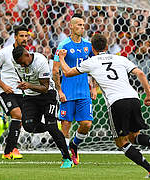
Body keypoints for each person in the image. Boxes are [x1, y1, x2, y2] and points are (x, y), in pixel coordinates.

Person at [58, 34, 150, 177]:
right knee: (133, 136)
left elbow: (67, 72)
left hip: (117, 102)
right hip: (134, 98)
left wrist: (62, 58)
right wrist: (149, 95)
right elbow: (141, 73)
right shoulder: (120, 58)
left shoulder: (91, 61)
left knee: (121, 142)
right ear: (107, 47)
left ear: (92, 48)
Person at [12, 45, 72, 168]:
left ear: (27, 55)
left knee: (52, 126)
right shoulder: (17, 63)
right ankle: (52, 127)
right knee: (28, 126)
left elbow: (44, 88)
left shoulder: (40, 61)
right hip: (30, 97)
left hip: (47, 95)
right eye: (20, 64)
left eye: (23, 63)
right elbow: (23, 78)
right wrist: (25, 86)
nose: (22, 66)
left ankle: (67, 158)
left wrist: (28, 85)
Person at [52, 14, 97, 165]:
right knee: (65, 126)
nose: (82, 28)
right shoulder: (62, 45)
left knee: (86, 124)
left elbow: (95, 66)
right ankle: (66, 158)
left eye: (83, 25)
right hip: (68, 91)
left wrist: (94, 87)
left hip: (84, 91)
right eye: (78, 25)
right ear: (70, 26)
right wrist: (59, 91)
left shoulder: (88, 46)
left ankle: (74, 145)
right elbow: (55, 70)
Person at [0, 26, 28, 160]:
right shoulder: (5, 52)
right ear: (15, 37)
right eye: (21, 36)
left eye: (26, 36)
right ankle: (12, 149)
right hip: (5, 91)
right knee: (17, 114)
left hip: (20, 91)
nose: (24, 39)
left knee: (20, 119)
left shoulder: (27, 53)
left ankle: (9, 150)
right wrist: (3, 85)